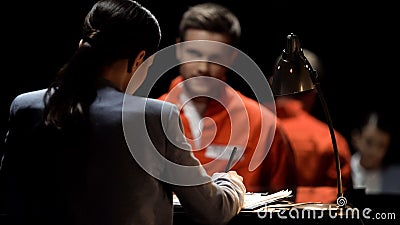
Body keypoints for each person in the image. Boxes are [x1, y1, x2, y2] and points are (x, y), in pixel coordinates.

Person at [0, 1, 246, 225]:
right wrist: (230, 184)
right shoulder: (155, 116)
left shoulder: (25, 106)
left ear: (82, 45)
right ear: (139, 59)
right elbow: (212, 211)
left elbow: (9, 199)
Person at [158, 2, 297, 194]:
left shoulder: (262, 124)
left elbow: (283, 202)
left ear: (231, 57)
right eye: (194, 53)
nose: (203, 67)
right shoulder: (151, 116)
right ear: (179, 49)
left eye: (215, 57)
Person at [272, 49, 353, 203]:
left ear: (272, 83)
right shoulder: (332, 141)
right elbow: (341, 202)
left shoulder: (249, 130)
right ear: (314, 91)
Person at [350, 110, 400, 195]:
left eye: (381, 146)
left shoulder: (397, 178)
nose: (374, 152)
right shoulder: (341, 170)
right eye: (369, 142)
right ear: (356, 138)